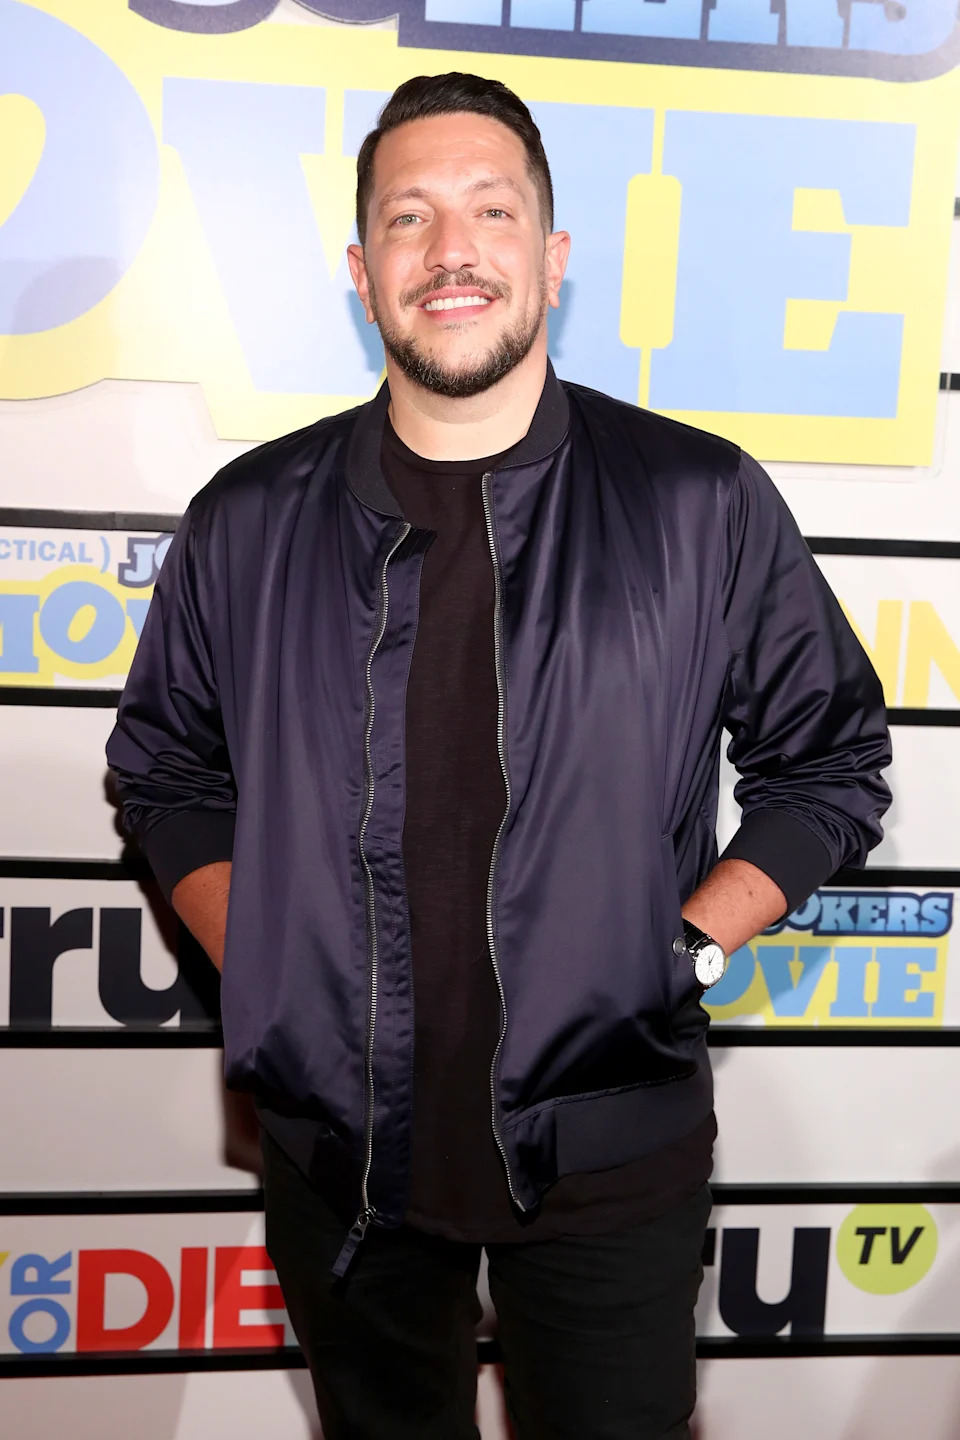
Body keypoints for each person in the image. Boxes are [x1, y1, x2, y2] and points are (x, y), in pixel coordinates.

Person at [106, 71, 892, 1440]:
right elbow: (166, 771)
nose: (451, 247)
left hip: (611, 1144)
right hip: (337, 1152)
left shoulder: (696, 500)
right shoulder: (246, 519)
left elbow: (827, 761)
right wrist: (268, 951)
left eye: (490, 208)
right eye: (409, 217)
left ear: (553, 254)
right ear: (364, 271)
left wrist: (688, 948)